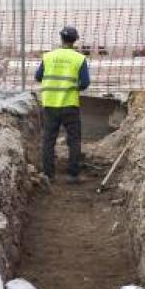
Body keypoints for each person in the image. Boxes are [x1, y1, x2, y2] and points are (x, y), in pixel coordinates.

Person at [35, 26, 91, 183]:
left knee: (48, 139)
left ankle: (48, 174)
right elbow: (85, 83)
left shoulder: (48, 56)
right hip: (69, 104)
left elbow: (38, 76)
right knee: (73, 139)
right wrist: (73, 88)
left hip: (50, 104)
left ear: (61, 39)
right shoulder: (79, 58)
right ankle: (73, 174)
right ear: (75, 41)